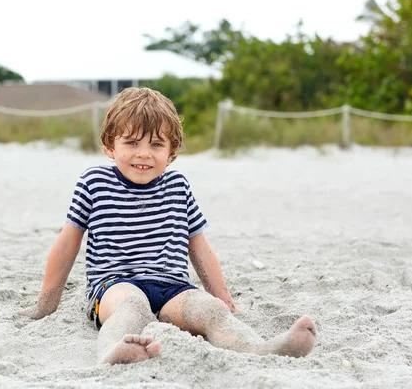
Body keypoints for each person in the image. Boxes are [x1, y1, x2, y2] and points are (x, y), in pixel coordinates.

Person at [18, 87, 317, 365]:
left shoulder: (178, 185)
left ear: (171, 151)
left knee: (212, 311)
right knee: (133, 306)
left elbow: (198, 246)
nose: (144, 154)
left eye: (156, 144)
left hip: (172, 289)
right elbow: (67, 244)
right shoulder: (94, 182)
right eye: (131, 142)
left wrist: (225, 300)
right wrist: (46, 304)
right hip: (113, 287)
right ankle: (113, 351)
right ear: (111, 146)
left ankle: (261, 349)